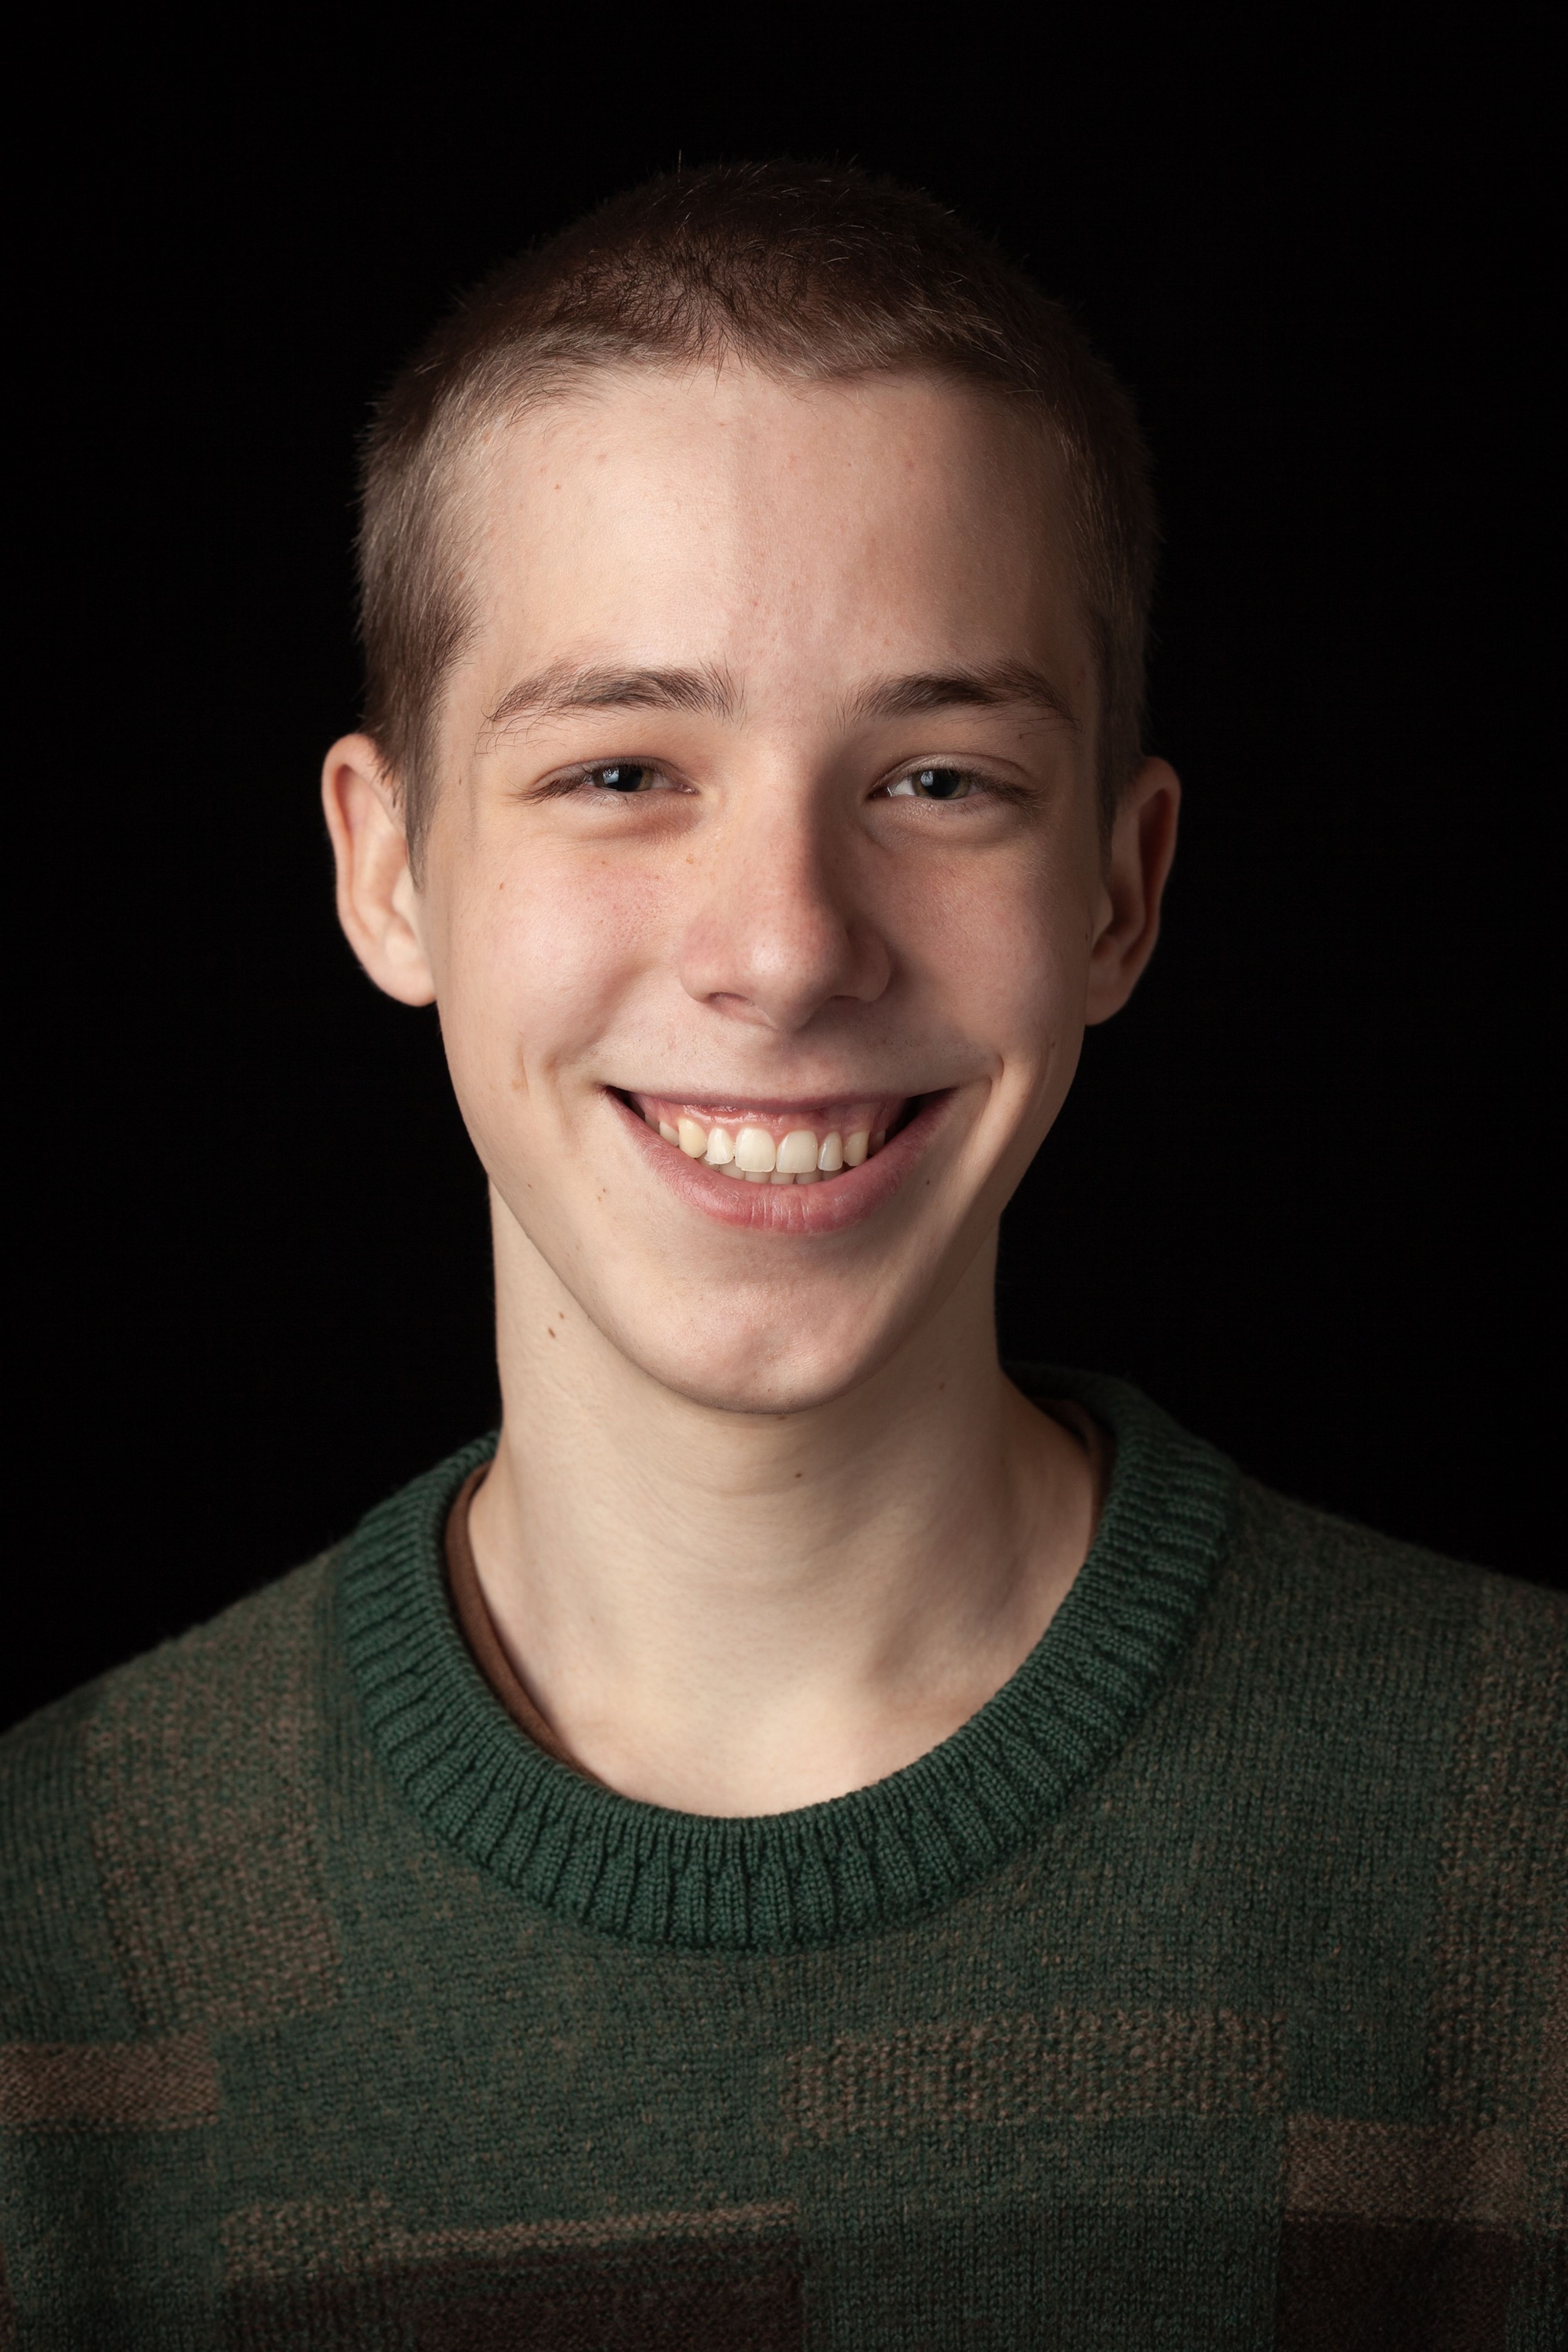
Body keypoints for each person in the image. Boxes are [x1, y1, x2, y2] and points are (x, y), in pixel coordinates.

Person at [1, 161, 1561, 2349]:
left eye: (935, 780)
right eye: (626, 767)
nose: (784, 950)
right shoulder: (50, 1933)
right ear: (389, 871)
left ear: (1123, 888)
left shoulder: (1529, 1846)